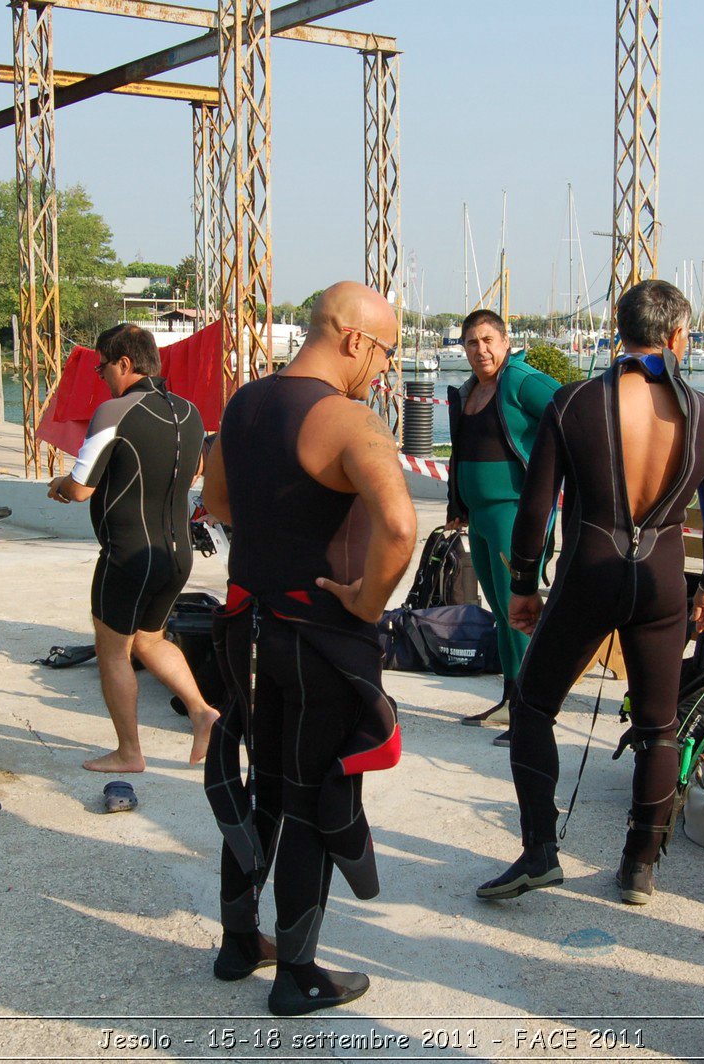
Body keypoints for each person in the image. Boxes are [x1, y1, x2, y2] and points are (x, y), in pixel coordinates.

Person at [476, 279, 704, 905]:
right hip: (663, 580)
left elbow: (535, 509)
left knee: (535, 706)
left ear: (620, 331)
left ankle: (540, 851)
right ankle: (639, 866)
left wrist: (521, 586)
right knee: (658, 724)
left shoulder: (574, 403)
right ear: (678, 336)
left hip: (588, 571)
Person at [200, 282, 417, 1016]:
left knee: (261, 778)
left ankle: (238, 943)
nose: (383, 368)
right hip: (312, 633)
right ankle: (298, 974)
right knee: (312, 797)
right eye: (384, 351)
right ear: (353, 338)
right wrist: (365, 600)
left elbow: (221, 504)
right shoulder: (349, 418)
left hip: (242, 623)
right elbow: (398, 529)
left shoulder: (243, 403)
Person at [45, 324, 216, 773]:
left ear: (124, 363)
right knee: (150, 640)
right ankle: (202, 711)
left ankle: (128, 752)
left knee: (112, 651)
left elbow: (82, 488)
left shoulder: (114, 411)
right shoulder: (190, 412)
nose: (101, 376)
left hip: (128, 555)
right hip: (177, 554)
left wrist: (59, 485)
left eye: (102, 367)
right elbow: (196, 471)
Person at [444, 308, 560, 739]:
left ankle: (533, 708)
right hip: (479, 516)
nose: (481, 349)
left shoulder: (518, 380)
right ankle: (513, 698)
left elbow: (569, 403)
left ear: (506, 341)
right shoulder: (468, 391)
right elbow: (462, 453)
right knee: (501, 610)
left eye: (488, 339)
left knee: (521, 610)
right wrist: (457, 503)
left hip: (515, 513)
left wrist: (555, 469)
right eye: (472, 342)